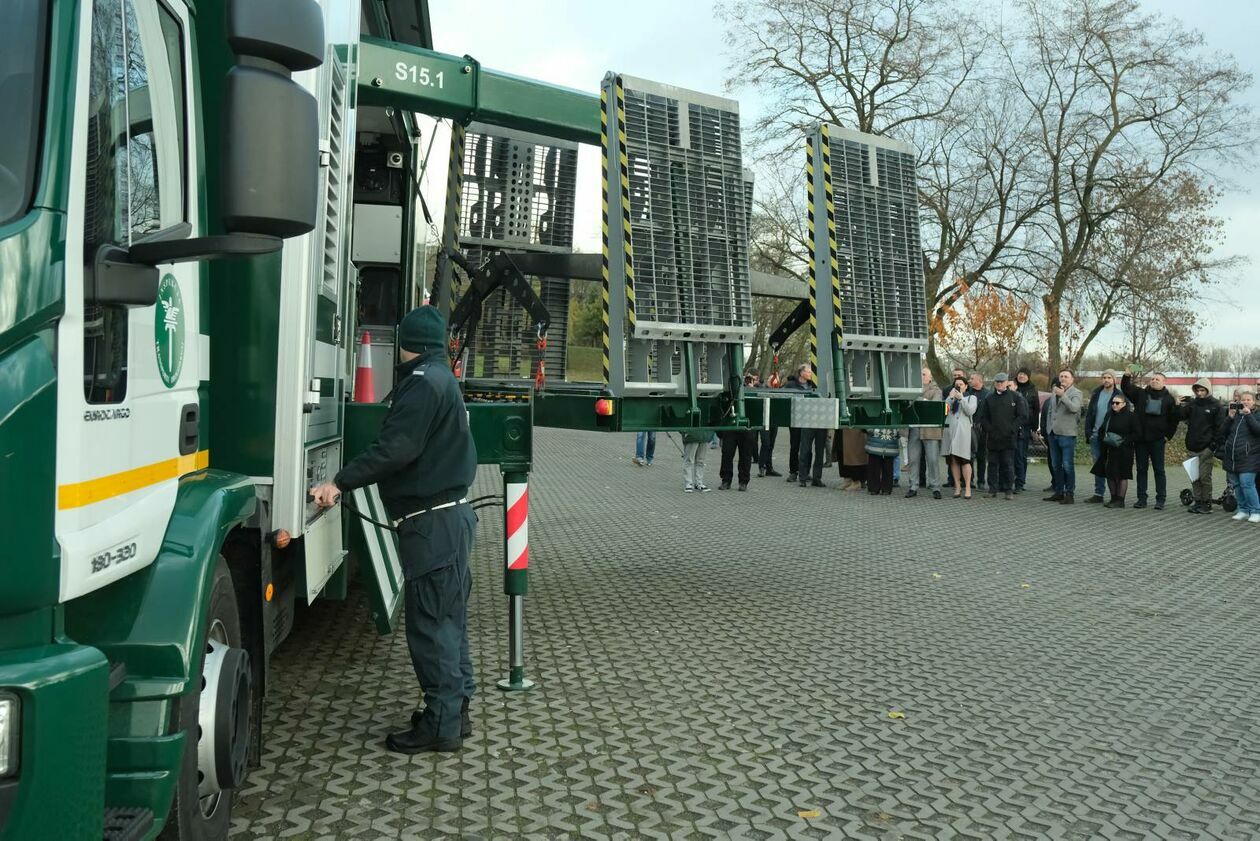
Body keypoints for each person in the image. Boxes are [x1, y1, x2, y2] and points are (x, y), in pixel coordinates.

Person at [310, 306, 477, 754]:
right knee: (450, 624)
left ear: (410, 344)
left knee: (432, 628)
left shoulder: (421, 384)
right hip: (452, 520)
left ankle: (441, 726)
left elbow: (396, 448)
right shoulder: (444, 378)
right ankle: (455, 713)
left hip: (431, 526)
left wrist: (338, 482)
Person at [1120, 370, 1179, 510]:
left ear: (1164, 382)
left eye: (1157, 379)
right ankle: (1141, 499)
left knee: (1159, 470)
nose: (1154, 381)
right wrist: (1127, 375)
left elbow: (1173, 420)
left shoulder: (1169, 399)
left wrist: (1167, 436)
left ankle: (1160, 499)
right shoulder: (1141, 394)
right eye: (1152, 379)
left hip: (1158, 440)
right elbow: (1126, 388)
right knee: (1141, 470)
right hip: (1141, 439)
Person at [976, 373, 1028, 500]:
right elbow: (983, 417)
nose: (999, 384)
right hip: (993, 437)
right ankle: (992, 489)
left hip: (1008, 437)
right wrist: (989, 429)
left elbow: (1022, 416)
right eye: (997, 382)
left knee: (1008, 464)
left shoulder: (1015, 397)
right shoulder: (989, 398)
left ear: (1006, 383)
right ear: (994, 383)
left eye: (1002, 382)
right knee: (992, 464)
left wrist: (1012, 429)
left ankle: (1008, 490)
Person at [1179, 378, 1225, 514]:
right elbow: (1180, 416)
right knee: (1194, 477)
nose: (1199, 393)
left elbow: (1220, 429)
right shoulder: (1192, 404)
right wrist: (1178, 405)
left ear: (1208, 390)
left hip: (1207, 448)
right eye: (1197, 390)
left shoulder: (1216, 406)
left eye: (1202, 390)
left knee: (1205, 477)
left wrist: (1212, 446)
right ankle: (1198, 501)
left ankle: (1207, 503)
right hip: (1192, 446)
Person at [1089, 390, 1137, 507]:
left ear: (1124, 404)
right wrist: (1103, 439)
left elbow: (1137, 433)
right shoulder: (1109, 415)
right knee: (1110, 474)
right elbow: (1102, 429)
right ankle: (1113, 498)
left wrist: (1123, 441)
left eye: (1117, 403)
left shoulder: (1131, 416)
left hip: (1124, 450)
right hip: (1109, 449)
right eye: (1113, 403)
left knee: (1122, 475)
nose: (1114, 405)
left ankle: (1120, 500)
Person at [1219, 390, 1260, 523]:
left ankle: (1255, 511)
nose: (1245, 402)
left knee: (1247, 484)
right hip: (1232, 456)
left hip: (1250, 456)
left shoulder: (1257, 414)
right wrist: (1230, 417)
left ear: (1254, 402)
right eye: (1243, 400)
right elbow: (1222, 432)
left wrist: (1248, 415)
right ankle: (1243, 510)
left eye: (1248, 400)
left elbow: (1257, 431)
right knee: (1236, 484)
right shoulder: (1235, 415)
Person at [1083, 370, 1122, 503]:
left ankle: (1115, 495)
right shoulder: (1096, 394)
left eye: (1109, 377)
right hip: (1095, 436)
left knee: (1111, 465)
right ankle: (1098, 494)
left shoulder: (1119, 395)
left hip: (1110, 437)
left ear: (1114, 380)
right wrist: (1088, 432)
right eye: (1104, 377)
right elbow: (1089, 415)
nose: (1106, 380)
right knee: (1098, 465)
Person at [1045, 368, 1083, 504]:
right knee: (1056, 465)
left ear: (1072, 379)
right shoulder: (1054, 392)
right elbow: (1050, 411)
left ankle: (1069, 494)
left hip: (1067, 434)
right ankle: (1059, 492)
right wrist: (1049, 427)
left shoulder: (1076, 393)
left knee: (1067, 465)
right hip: (1053, 433)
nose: (1063, 379)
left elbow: (1074, 408)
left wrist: (1063, 396)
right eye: (1061, 376)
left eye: (1066, 376)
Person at [906, 367, 943, 499]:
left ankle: (935, 487)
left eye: (923, 374)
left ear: (930, 377)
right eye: (919, 374)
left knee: (933, 460)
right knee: (913, 459)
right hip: (915, 428)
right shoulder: (911, 389)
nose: (920, 376)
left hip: (930, 429)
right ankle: (913, 486)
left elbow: (934, 405)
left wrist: (918, 400)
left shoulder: (936, 390)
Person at [943, 375, 977, 499]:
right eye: (956, 385)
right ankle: (957, 486)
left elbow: (970, 411)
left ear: (966, 386)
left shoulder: (971, 398)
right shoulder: (950, 398)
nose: (958, 387)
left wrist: (961, 398)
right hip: (950, 433)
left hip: (963, 434)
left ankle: (967, 487)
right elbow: (944, 411)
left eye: (961, 385)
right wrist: (949, 398)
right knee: (953, 460)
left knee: (965, 461)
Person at [796, 366, 828, 487]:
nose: (810, 374)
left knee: (820, 452)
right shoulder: (805, 387)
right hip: (808, 421)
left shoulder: (824, 387)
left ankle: (817, 478)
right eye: (808, 371)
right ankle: (803, 478)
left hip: (822, 421)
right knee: (805, 450)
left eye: (811, 372)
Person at [1014, 369, 1040, 493]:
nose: (1021, 376)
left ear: (1028, 377)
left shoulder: (1032, 390)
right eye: (1020, 374)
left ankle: (1020, 481)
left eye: (1024, 375)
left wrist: (1035, 428)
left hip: (1025, 426)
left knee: (1021, 455)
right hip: (1011, 425)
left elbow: (1036, 410)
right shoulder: (1012, 387)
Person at [783, 367, 808, 482]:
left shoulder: (812, 385)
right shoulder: (791, 385)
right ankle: (793, 472)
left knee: (807, 448)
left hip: (808, 420)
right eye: (807, 371)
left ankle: (805, 472)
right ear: (801, 373)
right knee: (795, 446)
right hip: (795, 420)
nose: (809, 374)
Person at [967, 373, 992, 491]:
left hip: (982, 430)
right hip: (969, 428)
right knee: (969, 456)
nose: (970, 380)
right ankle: (969, 480)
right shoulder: (968, 393)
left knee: (981, 456)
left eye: (972, 379)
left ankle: (981, 481)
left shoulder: (988, 394)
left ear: (980, 380)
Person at [865, 428, 899, 494]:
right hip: (881, 439)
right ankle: (882, 488)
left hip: (882, 439)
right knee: (876, 464)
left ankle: (877, 488)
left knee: (886, 465)